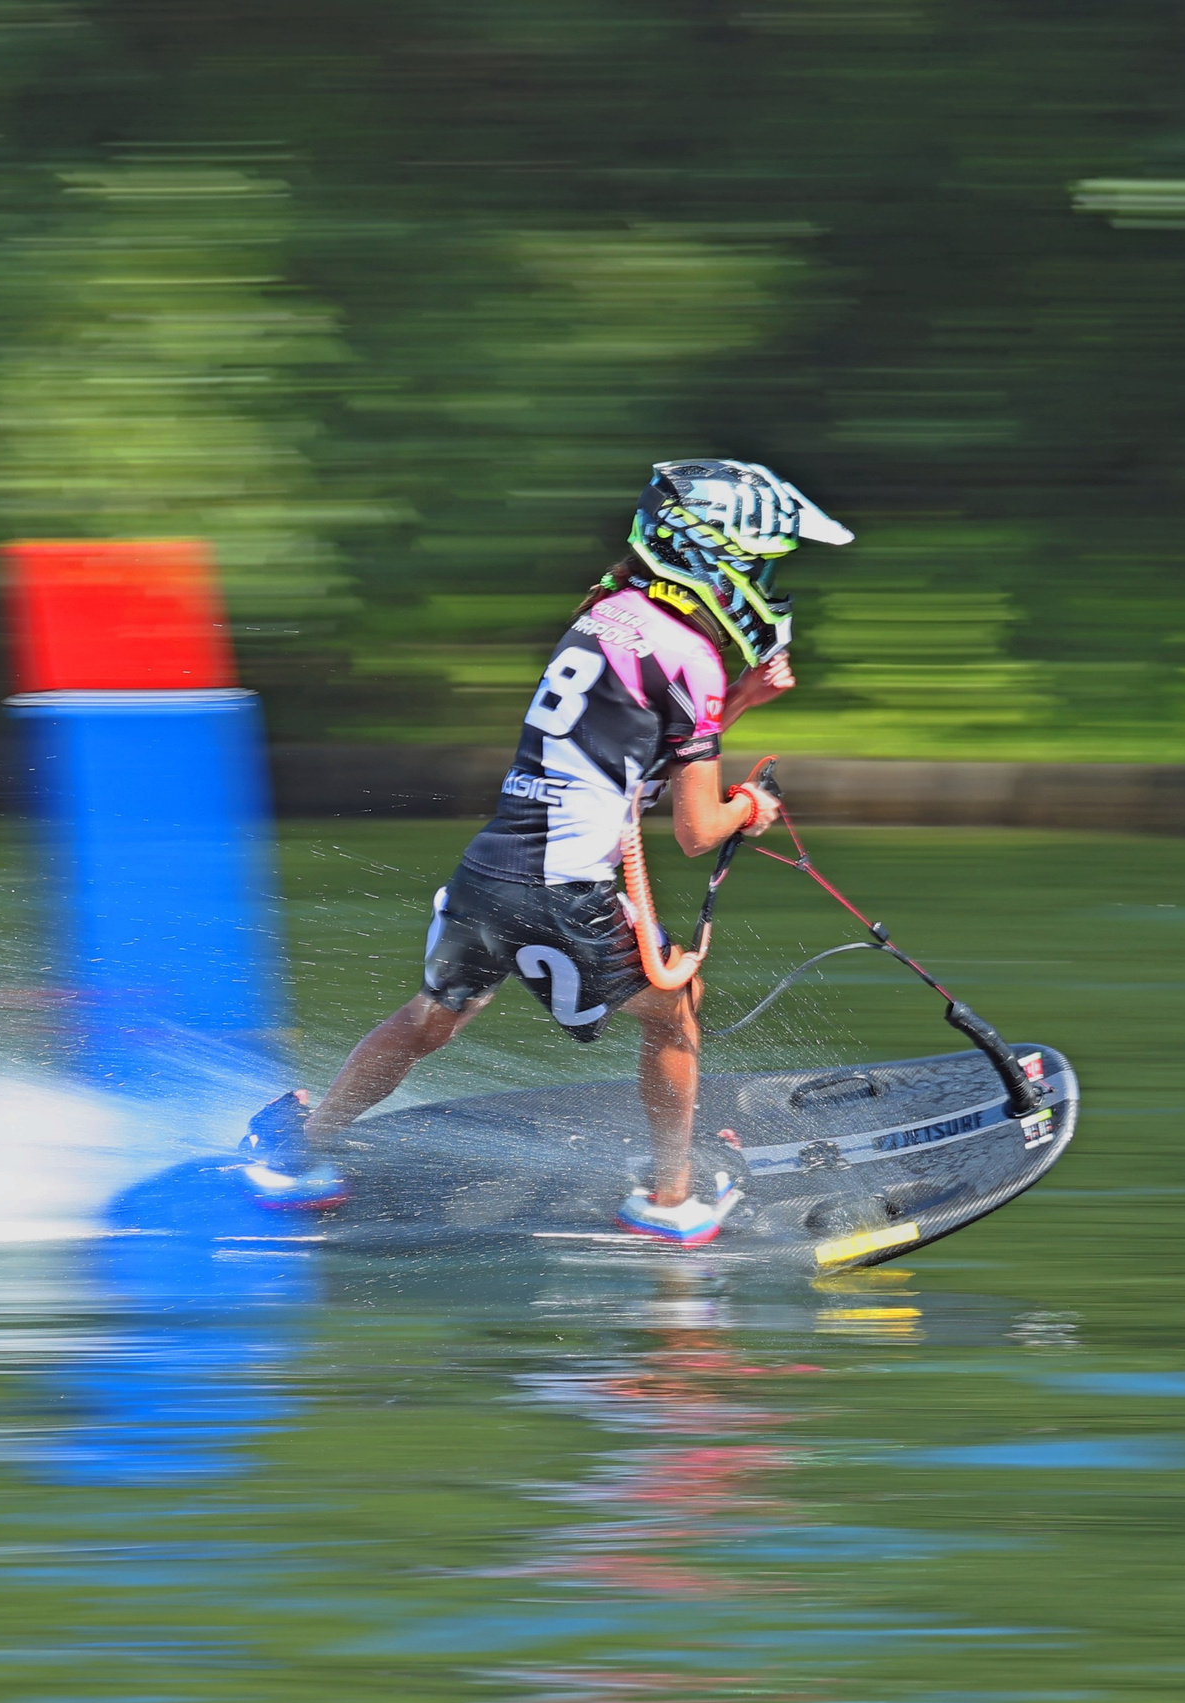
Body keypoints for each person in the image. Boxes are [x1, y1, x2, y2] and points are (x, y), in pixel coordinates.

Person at [242, 459, 852, 1242]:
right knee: (676, 1014)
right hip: (565, 885)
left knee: (434, 1017)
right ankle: (671, 1202)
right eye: (756, 561)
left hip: (491, 869)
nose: (762, 579)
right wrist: (750, 805)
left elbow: (625, 754)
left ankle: (305, 1151)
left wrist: (734, 705)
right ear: (714, 557)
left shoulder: (605, 613)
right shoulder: (693, 656)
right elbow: (698, 832)